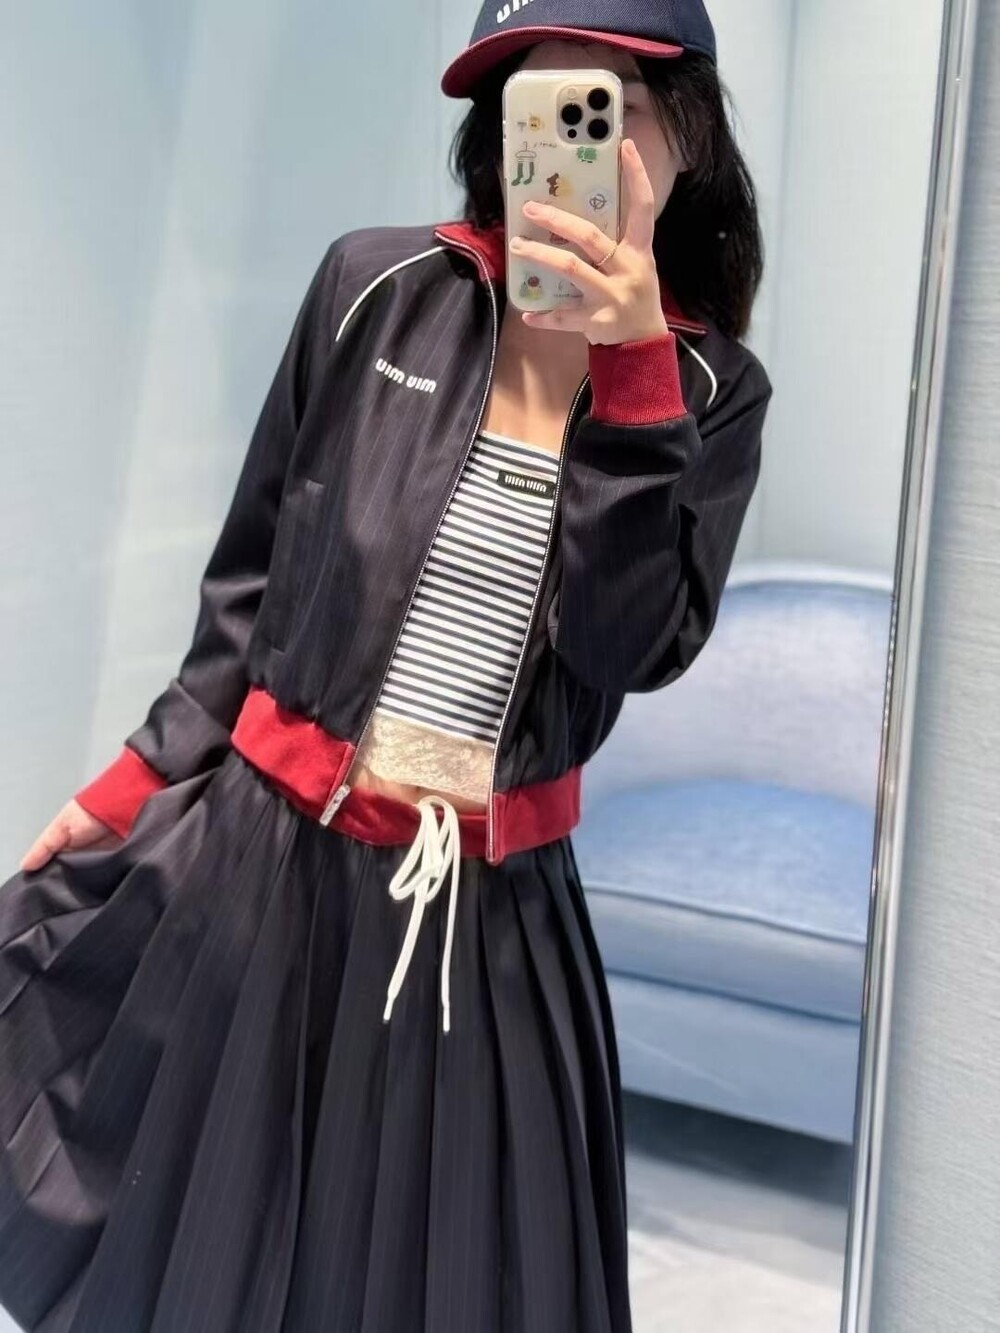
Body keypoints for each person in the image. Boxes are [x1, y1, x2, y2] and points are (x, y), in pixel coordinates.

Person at [0, 0, 772, 1328]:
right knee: (210, 1249)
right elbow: (247, 591)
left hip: (489, 920)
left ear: (684, 137)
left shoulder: (708, 390)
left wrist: (633, 367)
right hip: (266, 866)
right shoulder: (374, 286)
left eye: (609, 110)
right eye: (537, 106)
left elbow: (628, 645)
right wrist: (132, 783)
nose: (568, 147)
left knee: (440, 1283)